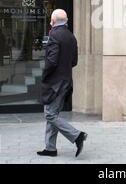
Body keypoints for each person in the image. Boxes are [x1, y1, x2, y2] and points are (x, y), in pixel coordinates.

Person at [37, 9, 88, 158]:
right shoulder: (71, 37)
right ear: (65, 21)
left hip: (55, 83)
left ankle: (77, 136)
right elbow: (74, 61)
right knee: (53, 113)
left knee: (50, 114)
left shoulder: (54, 36)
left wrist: (45, 75)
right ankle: (50, 148)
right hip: (66, 81)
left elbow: (51, 61)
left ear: (53, 21)